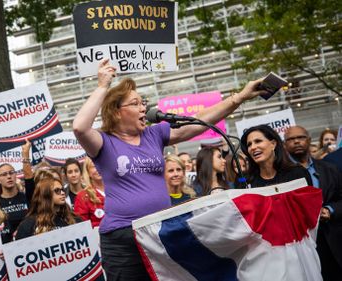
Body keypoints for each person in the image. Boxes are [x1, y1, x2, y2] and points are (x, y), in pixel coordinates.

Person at [73, 59, 267, 280]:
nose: (143, 107)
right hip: (122, 239)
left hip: (159, 233)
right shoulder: (103, 142)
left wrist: (239, 97)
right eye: (135, 103)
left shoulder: (153, 134)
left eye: (143, 102)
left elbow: (199, 121)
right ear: (116, 112)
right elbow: (79, 126)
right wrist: (102, 86)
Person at [284, 125, 342, 280]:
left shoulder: (330, 168)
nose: (296, 142)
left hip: (334, 240)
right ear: (284, 144)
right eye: (291, 139)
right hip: (303, 244)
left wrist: (329, 210)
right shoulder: (281, 176)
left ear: (309, 140)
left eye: (301, 137)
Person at [240, 124, 312, 188]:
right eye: (249, 144)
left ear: (273, 144)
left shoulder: (298, 173)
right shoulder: (245, 180)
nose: (253, 147)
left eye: (258, 141)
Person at [15, 175, 81, 240]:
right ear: (45, 194)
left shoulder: (73, 218)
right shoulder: (29, 224)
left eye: (62, 189)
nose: (62, 193)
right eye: (57, 190)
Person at [0, 163, 29, 239]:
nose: (9, 176)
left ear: (15, 175)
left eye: (11, 173)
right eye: (4, 174)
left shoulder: (26, 197)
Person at [74, 158, 106, 227]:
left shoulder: (116, 189)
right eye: (94, 166)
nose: (98, 168)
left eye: (101, 164)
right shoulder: (82, 197)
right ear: (88, 172)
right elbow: (82, 227)